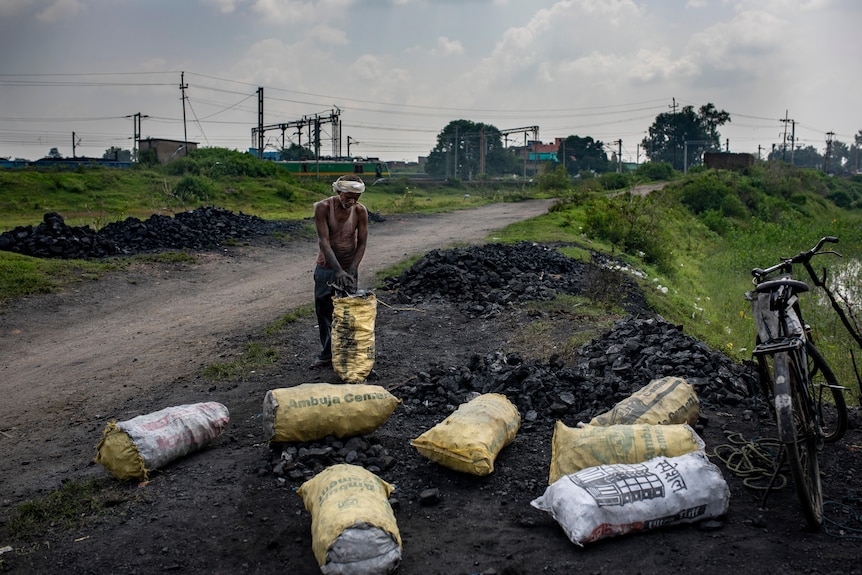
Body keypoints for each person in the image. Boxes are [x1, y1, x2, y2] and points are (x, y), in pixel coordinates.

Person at [310, 174, 369, 368]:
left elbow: (361, 243)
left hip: (348, 267)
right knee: (324, 308)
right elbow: (324, 242)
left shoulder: (360, 211)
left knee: (349, 311)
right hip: (327, 267)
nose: (352, 200)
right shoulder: (323, 208)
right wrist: (337, 271)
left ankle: (349, 354)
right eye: (348, 196)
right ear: (338, 191)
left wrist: (350, 270)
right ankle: (327, 353)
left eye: (356, 196)